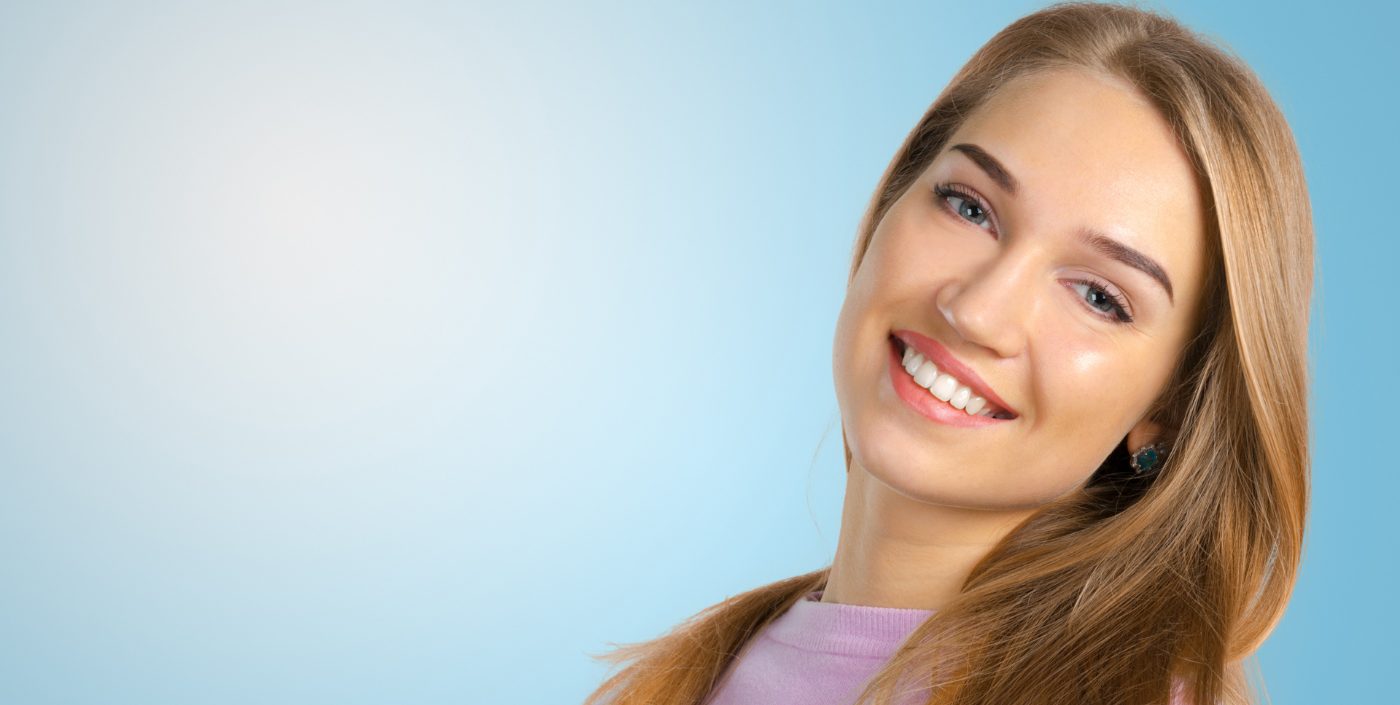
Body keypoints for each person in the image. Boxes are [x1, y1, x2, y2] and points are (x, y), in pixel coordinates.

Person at [583, 2, 1314, 704]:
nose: (977, 310)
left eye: (1098, 296)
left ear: (1167, 413)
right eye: (970, 207)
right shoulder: (684, 674)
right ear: (891, 204)